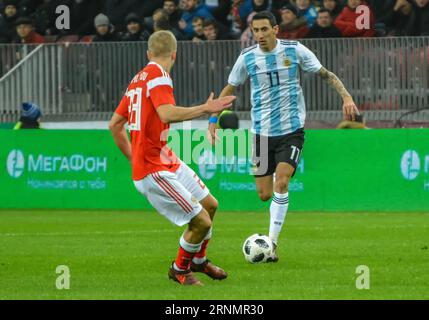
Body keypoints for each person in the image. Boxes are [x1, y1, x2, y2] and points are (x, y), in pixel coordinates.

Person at [208, 11, 359, 262]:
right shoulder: (247, 57)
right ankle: (270, 241)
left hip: (291, 130)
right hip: (261, 133)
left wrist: (346, 96)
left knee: (282, 182)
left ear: (275, 29)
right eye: (255, 30)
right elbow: (230, 88)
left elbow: (326, 73)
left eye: (264, 29)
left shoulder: (295, 50)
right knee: (264, 194)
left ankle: (272, 244)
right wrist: (213, 119)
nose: (259, 35)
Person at [109, 30, 235, 286]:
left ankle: (198, 260)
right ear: (175, 54)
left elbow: (114, 125)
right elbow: (166, 114)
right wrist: (205, 108)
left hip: (163, 157)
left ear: (148, 54)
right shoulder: (158, 76)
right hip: (153, 168)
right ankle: (179, 269)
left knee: (210, 204)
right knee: (200, 220)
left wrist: (134, 158)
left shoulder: (137, 79)